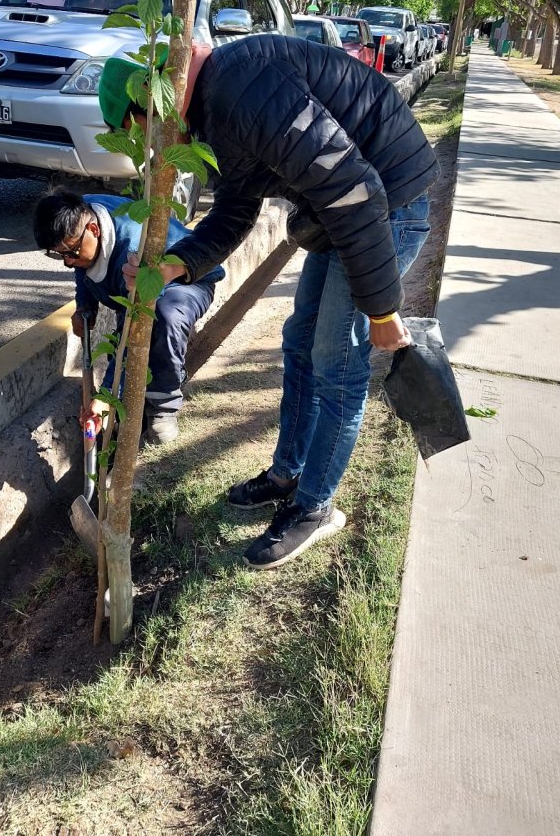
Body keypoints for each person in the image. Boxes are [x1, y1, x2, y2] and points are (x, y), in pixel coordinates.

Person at [98, 34, 439, 568]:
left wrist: (381, 308)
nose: (151, 151)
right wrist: (173, 264)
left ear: (152, 101)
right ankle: (289, 473)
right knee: (300, 343)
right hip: (339, 216)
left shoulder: (240, 87)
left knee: (337, 365)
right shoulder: (213, 107)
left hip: (383, 207)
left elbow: (355, 187)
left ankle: (315, 508)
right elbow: (236, 211)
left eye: (138, 134)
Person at [33, 189, 224, 445]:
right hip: (137, 292)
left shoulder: (133, 254)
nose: (67, 263)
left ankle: (163, 407)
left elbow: (132, 335)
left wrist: (105, 397)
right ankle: (127, 404)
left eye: (71, 253)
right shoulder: (78, 213)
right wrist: (84, 306)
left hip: (189, 281)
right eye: (59, 255)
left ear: (94, 229)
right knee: (128, 348)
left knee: (164, 319)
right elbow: (81, 264)